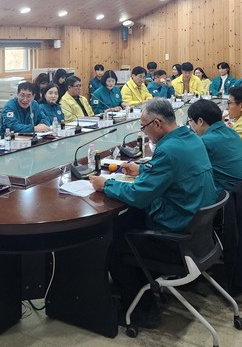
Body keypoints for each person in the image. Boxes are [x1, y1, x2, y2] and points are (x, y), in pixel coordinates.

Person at [88, 98, 217, 328]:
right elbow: (172, 171)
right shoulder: (191, 138)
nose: (144, 132)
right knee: (128, 221)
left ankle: (142, 312)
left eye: (144, 126)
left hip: (176, 238)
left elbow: (139, 195)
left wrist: (105, 184)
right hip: (198, 235)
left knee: (111, 244)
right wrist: (144, 169)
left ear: (157, 124)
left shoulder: (167, 150)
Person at [187, 99, 242, 193]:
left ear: (200, 121)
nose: (190, 125)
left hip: (230, 195)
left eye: (190, 121)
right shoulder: (232, 132)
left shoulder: (206, 141)